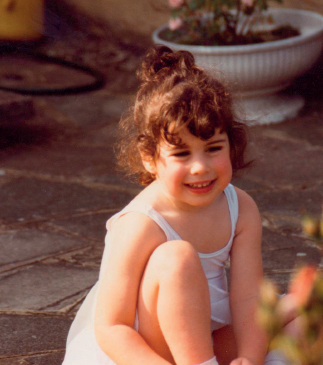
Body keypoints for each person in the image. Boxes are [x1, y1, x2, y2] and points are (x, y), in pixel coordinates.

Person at [62, 45, 288, 365]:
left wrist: (250, 358)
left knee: (303, 320)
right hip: (153, 348)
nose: (200, 167)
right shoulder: (140, 224)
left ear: (231, 144)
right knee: (177, 256)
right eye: (182, 154)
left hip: (208, 330)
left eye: (213, 148)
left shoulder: (241, 208)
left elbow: (248, 297)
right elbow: (112, 327)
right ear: (150, 159)